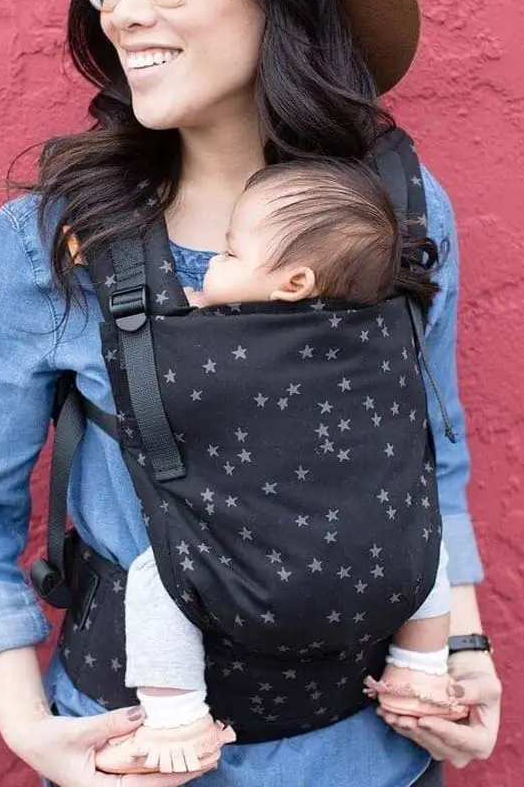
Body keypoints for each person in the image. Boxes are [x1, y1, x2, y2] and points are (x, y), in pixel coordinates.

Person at [0, 0, 501, 787]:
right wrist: (30, 730)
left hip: (372, 755)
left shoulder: (400, 210)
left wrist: (459, 657)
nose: (123, 7)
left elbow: (431, 458)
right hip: (146, 755)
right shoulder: (53, 239)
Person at [94, 159, 467, 777]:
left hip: (232, 569)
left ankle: (176, 719)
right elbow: (434, 456)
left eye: (231, 254)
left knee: (156, 581)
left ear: (292, 284)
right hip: (372, 558)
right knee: (425, 548)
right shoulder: (369, 336)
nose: (214, 264)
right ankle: (420, 672)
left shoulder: (198, 327)